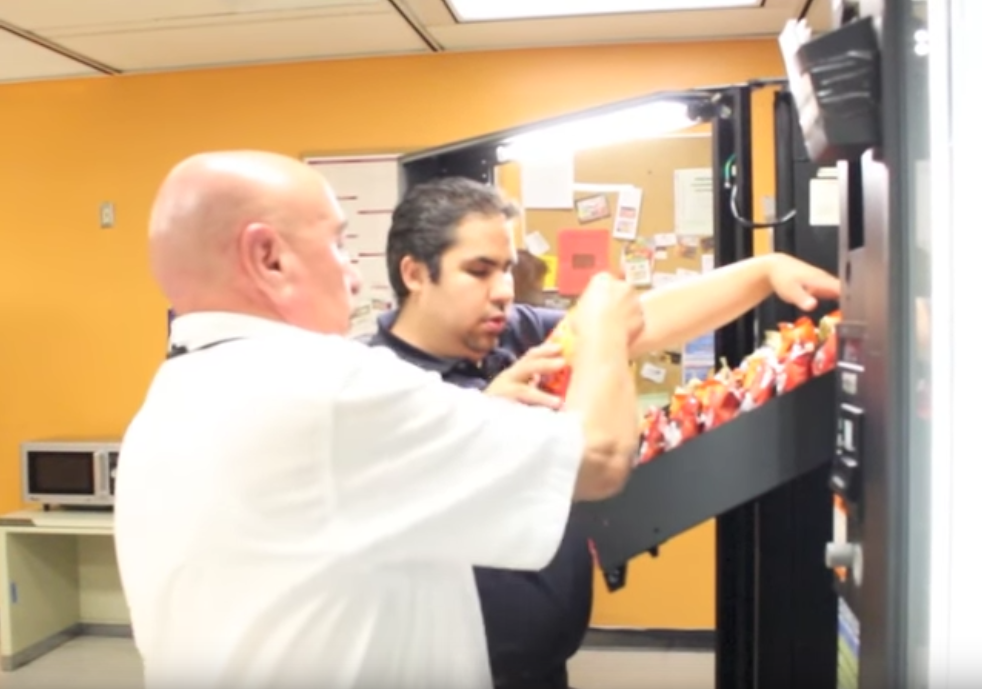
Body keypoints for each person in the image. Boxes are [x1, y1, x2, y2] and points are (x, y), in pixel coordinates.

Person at [113, 151, 646, 689]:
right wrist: (601, 324)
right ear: (268, 257)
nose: (353, 278)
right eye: (338, 245)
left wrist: (482, 415)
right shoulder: (325, 387)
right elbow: (598, 458)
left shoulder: (173, 399)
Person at [368, 176, 842, 689]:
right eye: (478, 271)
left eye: (505, 268)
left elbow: (646, 321)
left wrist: (764, 270)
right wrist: (480, 416)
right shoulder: (370, 385)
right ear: (415, 273)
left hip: (544, 667)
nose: (503, 290)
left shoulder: (516, 333)